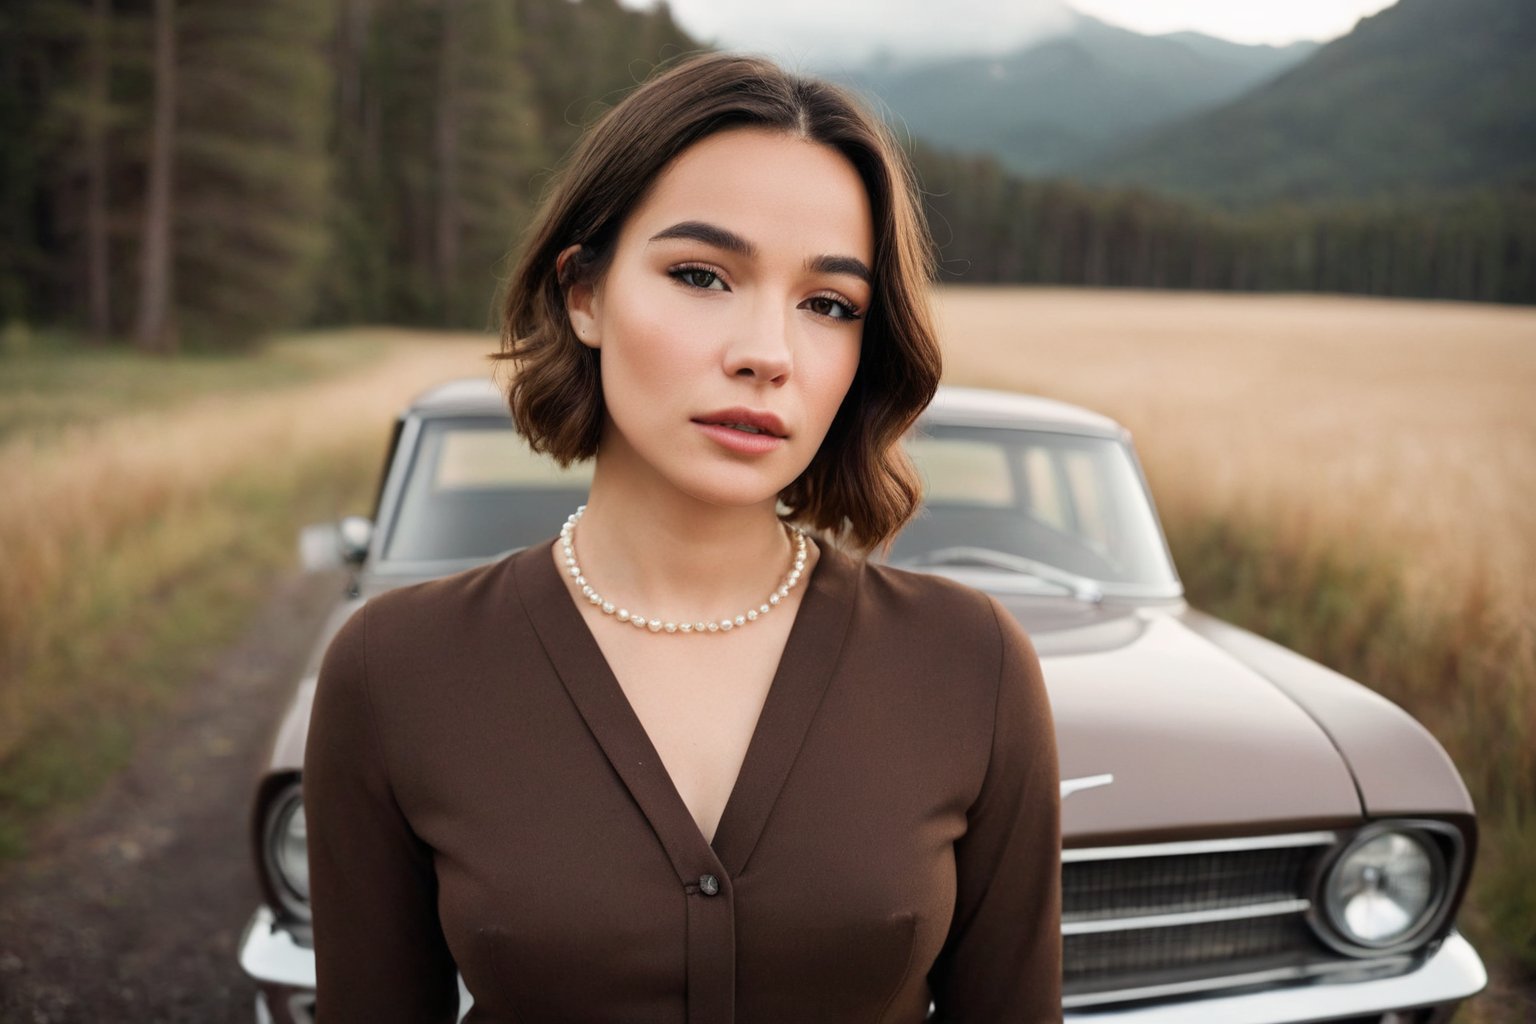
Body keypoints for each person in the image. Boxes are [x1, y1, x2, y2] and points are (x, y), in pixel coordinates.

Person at [304, 51, 1061, 1023]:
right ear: (584, 292)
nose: (765, 354)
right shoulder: (394, 668)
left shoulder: (971, 666)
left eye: (829, 303)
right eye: (702, 275)